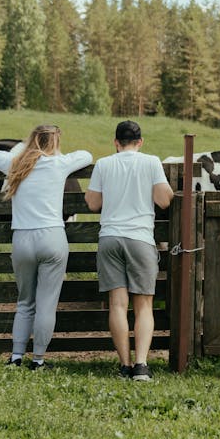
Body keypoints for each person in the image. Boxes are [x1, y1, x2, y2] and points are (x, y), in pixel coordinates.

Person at [0, 124, 92, 371]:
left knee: (25, 302)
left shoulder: (16, 164)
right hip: (52, 237)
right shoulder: (60, 163)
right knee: (46, 304)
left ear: (33, 140)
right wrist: (55, 153)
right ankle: (38, 360)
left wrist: (25, 151)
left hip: (22, 238)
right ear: (55, 142)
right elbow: (87, 155)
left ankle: (15, 357)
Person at [85, 120, 173, 381]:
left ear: (115, 142)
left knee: (117, 304)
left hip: (110, 237)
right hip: (140, 238)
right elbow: (164, 200)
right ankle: (141, 366)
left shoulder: (103, 164)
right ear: (140, 142)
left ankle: (123, 365)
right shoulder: (151, 162)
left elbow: (92, 203)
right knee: (144, 305)